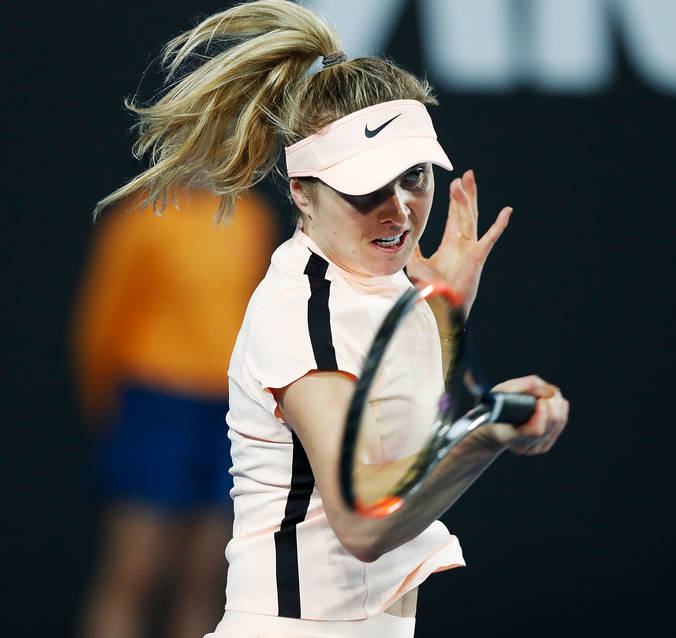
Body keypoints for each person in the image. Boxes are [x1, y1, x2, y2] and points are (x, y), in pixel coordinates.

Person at [94, 2, 570, 636]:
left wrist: (442, 322)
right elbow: (363, 522)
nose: (399, 210)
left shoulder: (374, 288)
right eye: (366, 188)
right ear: (302, 191)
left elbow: (393, 437)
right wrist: (483, 435)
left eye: (415, 177)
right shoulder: (304, 313)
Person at [73, 188, 278, 638]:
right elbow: (102, 319)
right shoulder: (142, 218)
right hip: (156, 403)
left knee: (207, 579)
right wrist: (110, 410)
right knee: (133, 573)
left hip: (230, 408)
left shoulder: (250, 217)